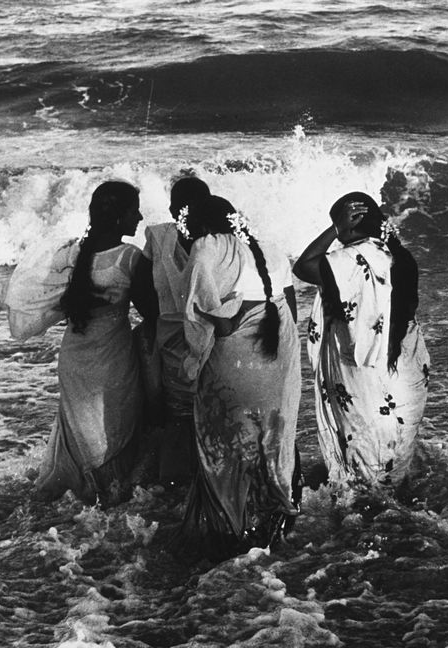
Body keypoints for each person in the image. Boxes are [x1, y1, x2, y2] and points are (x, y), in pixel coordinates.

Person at [160, 195, 301, 563]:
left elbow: (215, 318)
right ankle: (273, 513)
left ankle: (232, 524)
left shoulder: (209, 248)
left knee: (225, 430)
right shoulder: (270, 247)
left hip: (238, 346)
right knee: (268, 429)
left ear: (203, 226)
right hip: (278, 346)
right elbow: (290, 308)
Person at [294, 191, 430, 489]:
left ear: (350, 222)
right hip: (404, 371)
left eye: (340, 224)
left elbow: (303, 266)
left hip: (371, 377)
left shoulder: (356, 259)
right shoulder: (398, 255)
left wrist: (334, 229)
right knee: (393, 460)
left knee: (365, 469)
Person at [34, 180, 158, 504]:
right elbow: (152, 312)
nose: (140, 217)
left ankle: (81, 495)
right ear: (119, 217)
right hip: (111, 360)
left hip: (73, 357)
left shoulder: (70, 253)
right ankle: (107, 498)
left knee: (81, 434)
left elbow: (54, 299)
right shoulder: (129, 258)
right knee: (112, 430)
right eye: (134, 210)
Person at [140, 176, 212, 485]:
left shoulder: (158, 237)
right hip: (209, 335)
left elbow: (140, 288)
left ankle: (174, 483)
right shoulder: (215, 242)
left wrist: (158, 320)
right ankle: (205, 481)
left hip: (169, 335)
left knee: (178, 416)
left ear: (172, 209)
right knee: (208, 411)